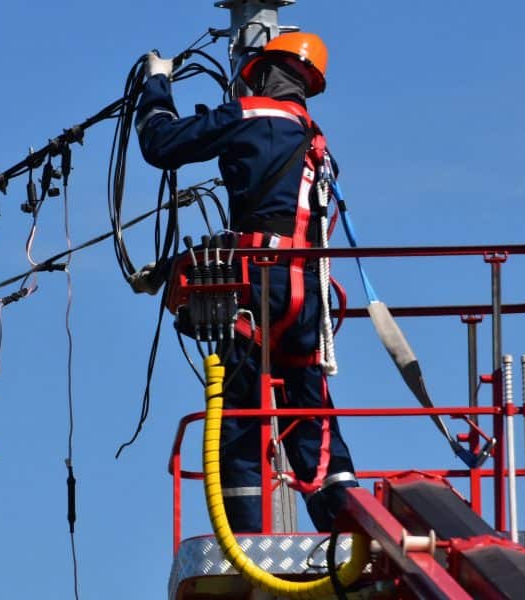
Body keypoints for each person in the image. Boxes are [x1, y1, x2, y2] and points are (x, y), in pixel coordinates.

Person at [133, 33, 359, 533]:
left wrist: (156, 85)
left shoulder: (249, 115)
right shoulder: (315, 142)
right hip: (306, 296)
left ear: (261, 73)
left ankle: (249, 538)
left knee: (241, 417)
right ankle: (347, 523)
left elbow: (161, 144)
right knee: (312, 415)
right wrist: (170, 270)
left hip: (257, 287)